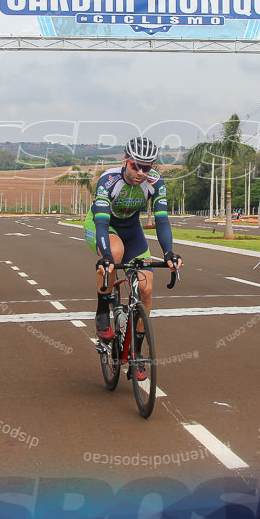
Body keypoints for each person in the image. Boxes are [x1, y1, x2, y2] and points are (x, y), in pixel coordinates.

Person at [85, 136, 182, 379]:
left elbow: (161, 220)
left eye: (146, 167)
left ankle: (137, 354)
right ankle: (102, 313)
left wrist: (168, 253)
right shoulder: (109, 180)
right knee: (114, 256)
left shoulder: (156, 183)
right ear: (125, 161)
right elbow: (101, 221)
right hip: (103, 226)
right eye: (135, 165)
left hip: (132, 231)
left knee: (146, 288)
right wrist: (106, 255)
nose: (140, 172)